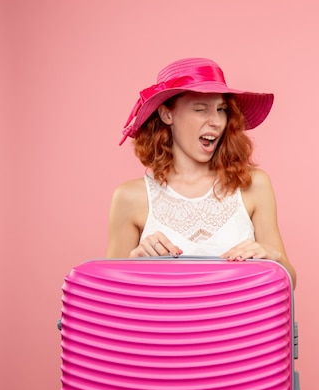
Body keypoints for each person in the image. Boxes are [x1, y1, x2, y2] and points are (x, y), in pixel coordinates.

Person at [106, 57, 296, 288]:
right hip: (164, 324)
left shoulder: (253, 184)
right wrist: (135, 262)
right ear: (167, 115)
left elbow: (289, 281)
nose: (216, 121)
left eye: (221, 109)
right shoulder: (129, 197)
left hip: (239, 323)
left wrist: (272, 257)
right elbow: (111, 293)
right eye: (200, 109)